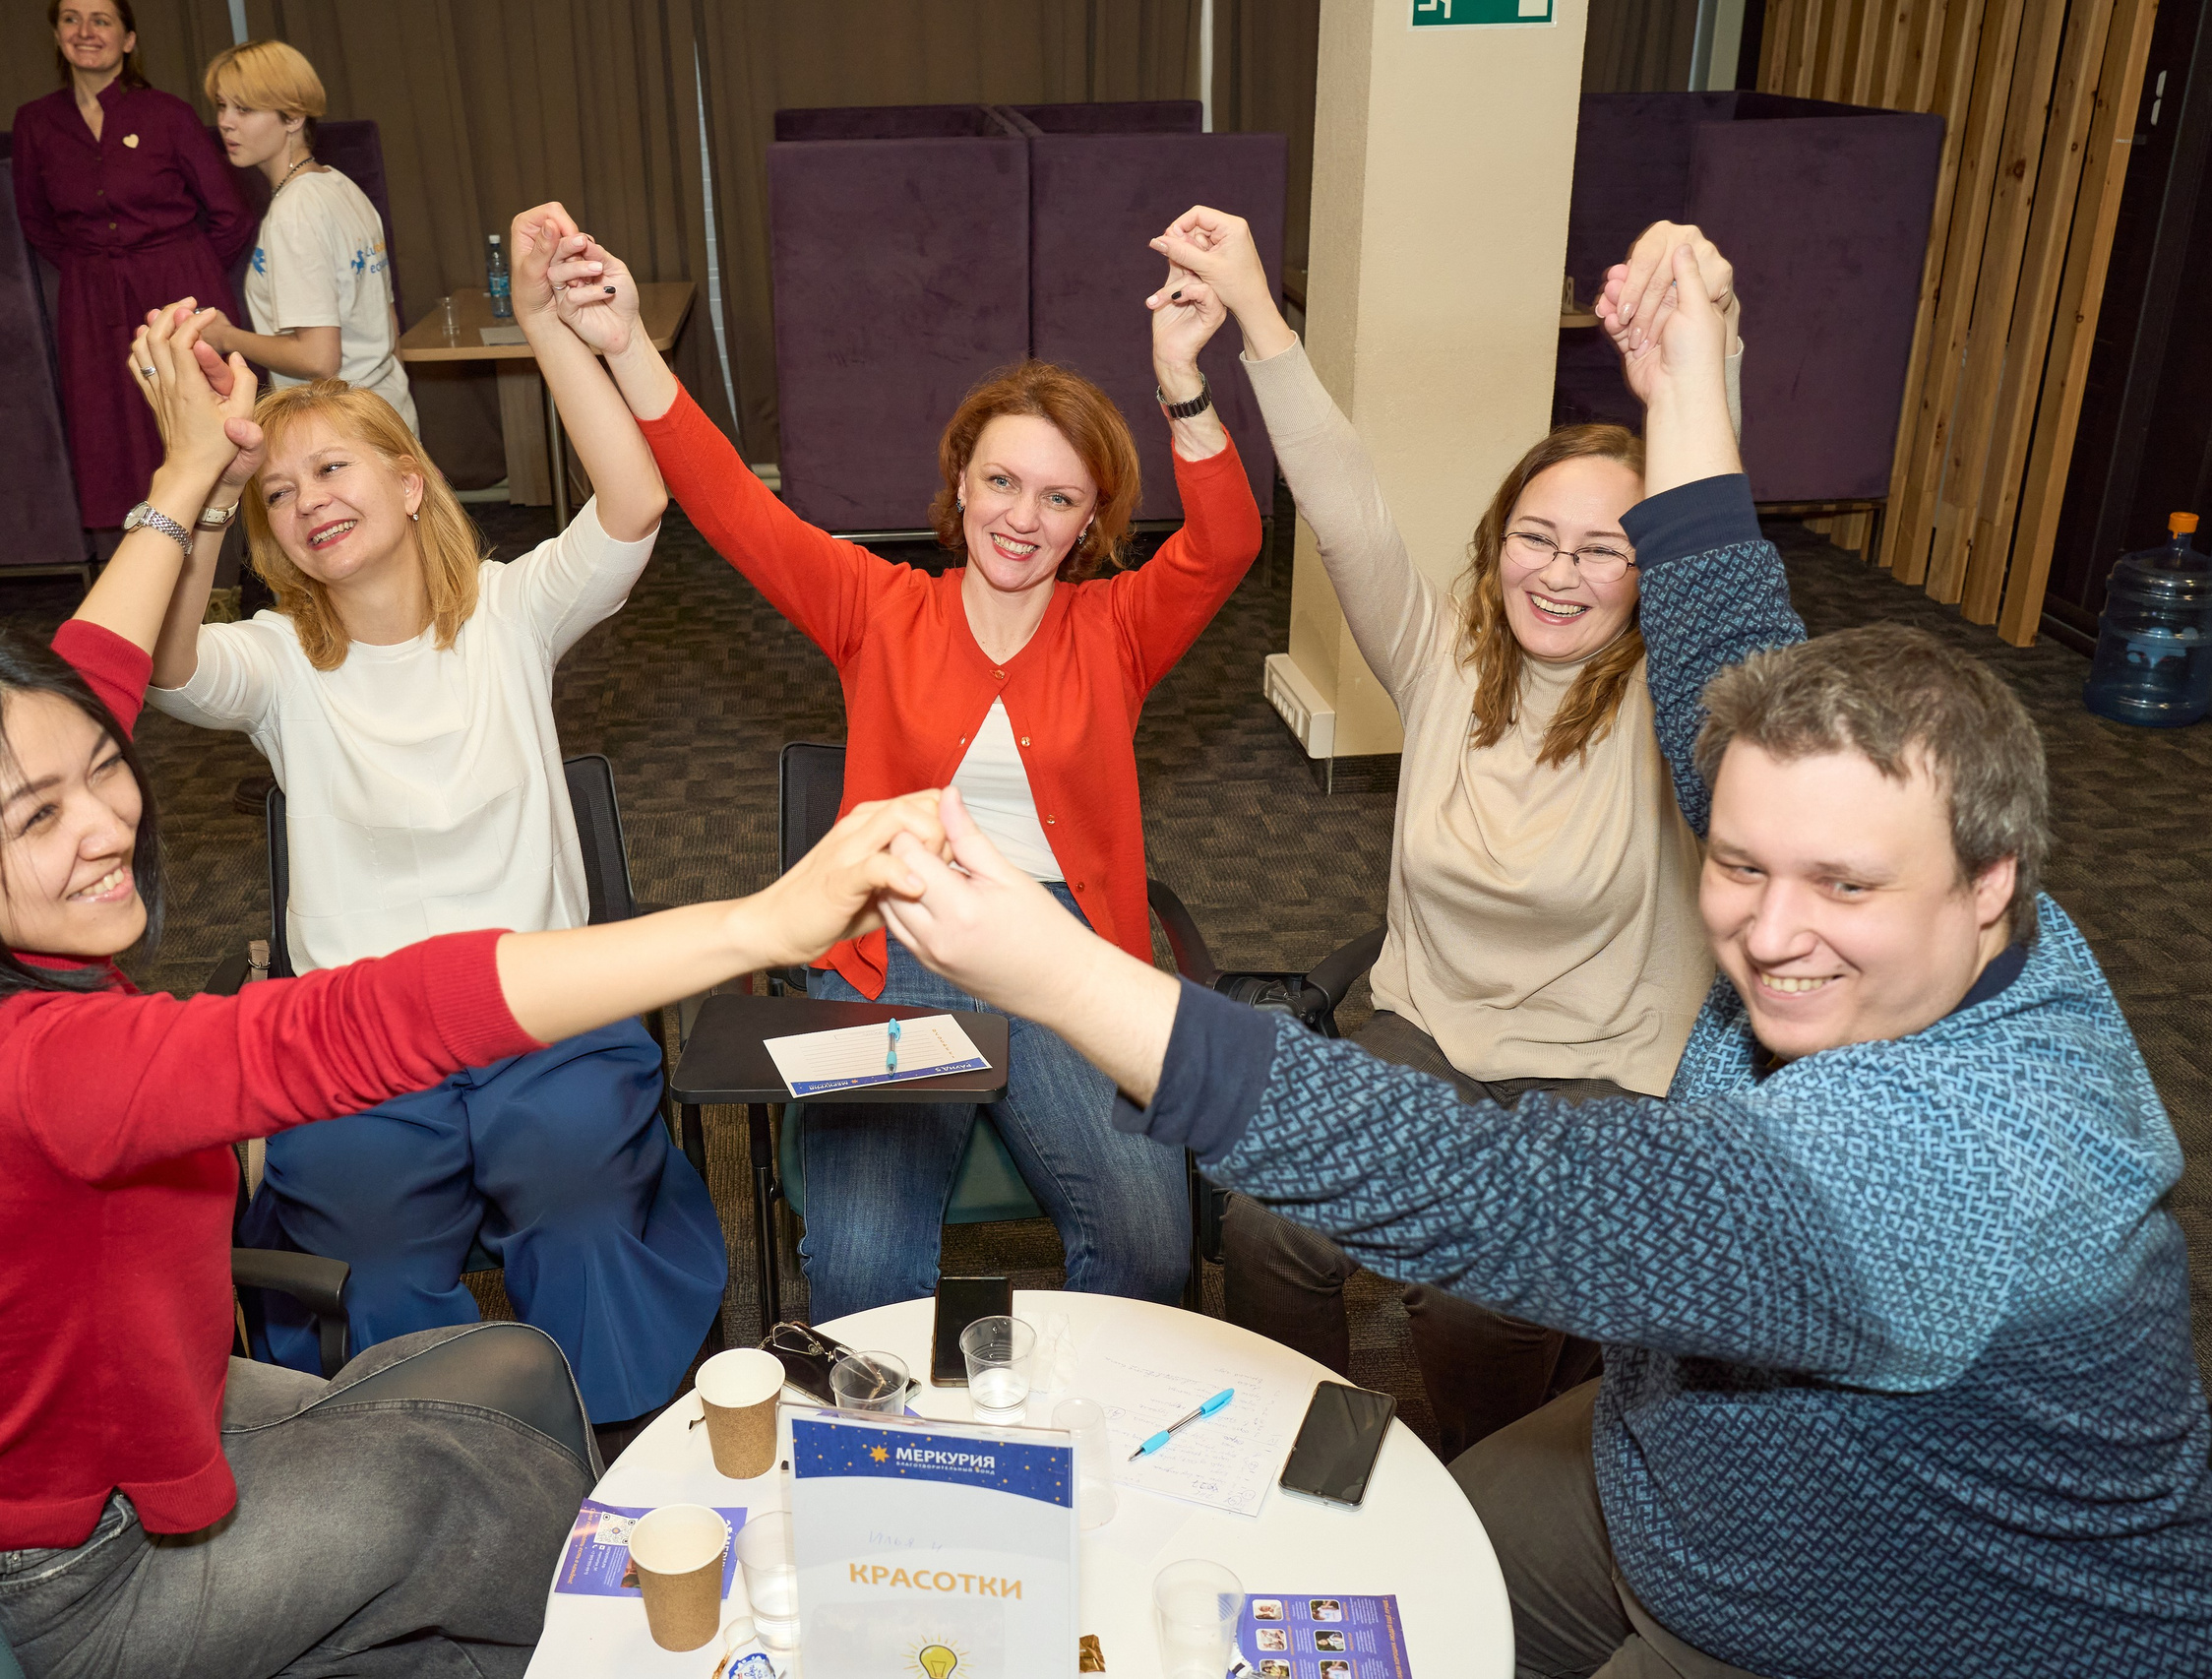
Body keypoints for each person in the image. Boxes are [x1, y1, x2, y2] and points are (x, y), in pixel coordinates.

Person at [868, 270, 2212, 1679]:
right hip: (1674, 1465)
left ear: (1995, 882)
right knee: (1395, 1575)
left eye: (1848, 886)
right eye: (1742, 862)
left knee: (1471, 1366)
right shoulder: (1939, 876)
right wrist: (1690, 377)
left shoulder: (1939, 1169)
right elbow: (1726, 632)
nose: (1772, 927)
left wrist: (1070, 974)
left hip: (1876, 1617)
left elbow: (1508, 1197)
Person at [0, 303, 946, 1679]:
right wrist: (761, 918)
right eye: (38, 815)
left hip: (134, 1419)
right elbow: (369, 1019)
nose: (106, 821)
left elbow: (93, 671)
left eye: (100, 768)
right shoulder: (35, 1058)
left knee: (511, 1385)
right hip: (71, 1569)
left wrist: (184, 472)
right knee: (482, 1506)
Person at [1147, 209, 1794, 1458]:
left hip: (1600, 1074)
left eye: (1606, 550)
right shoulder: (1442, 651)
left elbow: (1726, 564)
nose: (1558, 573)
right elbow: (1341, 505)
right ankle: (1326, 1462)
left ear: (1653, 571)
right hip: (1425, 1031)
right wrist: (1259, 318)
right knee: (1270, 1222)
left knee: (1477, 1296)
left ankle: (1491, 1487)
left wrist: (1703, 360)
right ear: (1497, 542)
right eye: (1534, 536)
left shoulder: (1691, 706)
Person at [539, 210, 1262, 1319]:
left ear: (1089, 524)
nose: (1023, 518)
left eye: (1059, 497)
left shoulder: (1116, 627)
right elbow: (730, 506)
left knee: (1149, 1250)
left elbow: (1229, 544)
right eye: (1002, 482)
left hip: (1066, 949)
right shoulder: (877, 607)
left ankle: (1067, 1447)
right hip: (898, 942)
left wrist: (1182, 381)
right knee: (863, 1272)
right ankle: (891, 1474)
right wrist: (627, 342)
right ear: (959, 483)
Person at [139, 209, 717, 1422]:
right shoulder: (277, 659)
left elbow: (633, 501)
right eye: (280, 493)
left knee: (577, 1202)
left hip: (540, 1013)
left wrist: (554, 326)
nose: (307, 501)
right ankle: (436, 1471)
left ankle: (612, 1454)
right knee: (373, 1257)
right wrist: (198, 481)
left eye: (334, 468)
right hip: (356, 1042)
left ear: (410, 484)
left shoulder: (513, 612)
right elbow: (167, 660)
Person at [12, 1, 253, 529]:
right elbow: (36, 220)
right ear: (56, 35)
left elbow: (230, 214)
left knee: (197, 417)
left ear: (128, 40)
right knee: (110, 426)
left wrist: (186, 271)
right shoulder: (36, 122)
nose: (86, 31)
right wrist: (94, 266)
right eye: (72, 19)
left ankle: (220, 565)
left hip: (177, 286)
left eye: (102, 20)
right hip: (91, 294)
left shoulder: (167, 114)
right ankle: (141, 559)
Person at [193, 39, 414, 428]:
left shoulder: (294, 211)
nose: (226, 121)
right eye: (223, 106)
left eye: (244, 109)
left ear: (293, 118)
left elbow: (317, 359)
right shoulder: (342, 186)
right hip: (387, 411)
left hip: (343, 426)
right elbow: (388, 325)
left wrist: (226, 337)